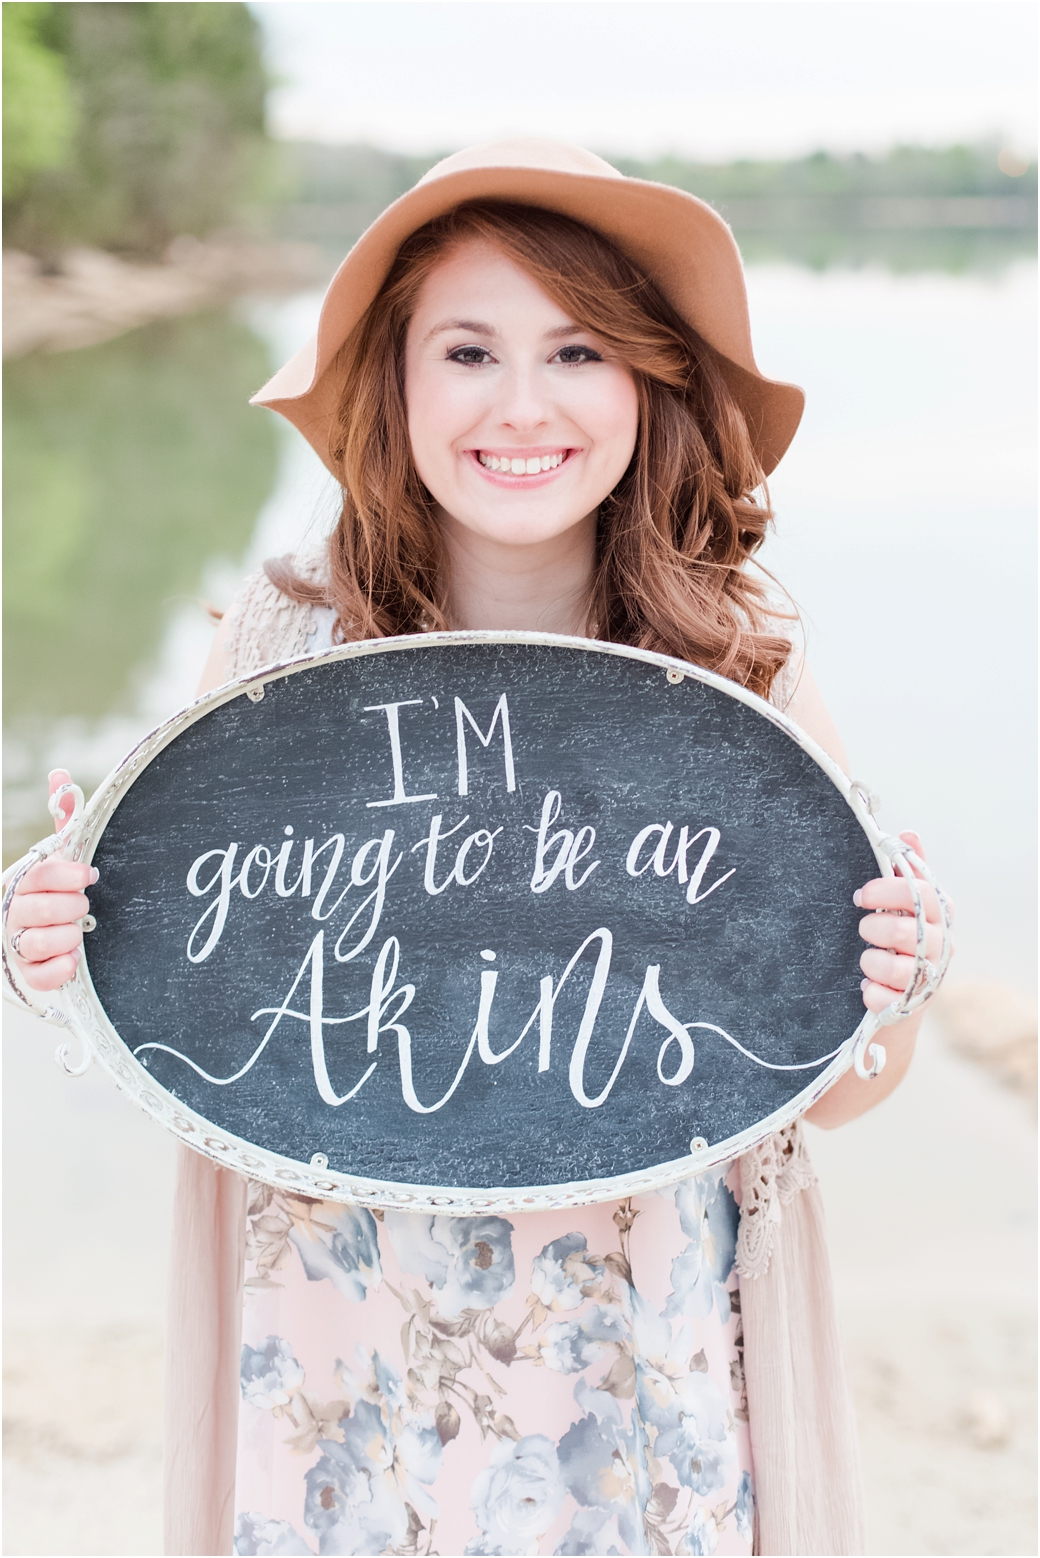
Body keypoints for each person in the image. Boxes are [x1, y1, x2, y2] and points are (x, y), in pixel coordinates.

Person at [9, 140, 946, 1558]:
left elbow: (837, 1091)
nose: (521, 405)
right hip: (346, 1334)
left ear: (647, 382)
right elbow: (186, 982)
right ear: (394, 382)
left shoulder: (735, 671)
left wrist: (895, 979)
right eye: (467, 351)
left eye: (577, 351)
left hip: (634, 1343)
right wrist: (60, 943)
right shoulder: (279, 653)